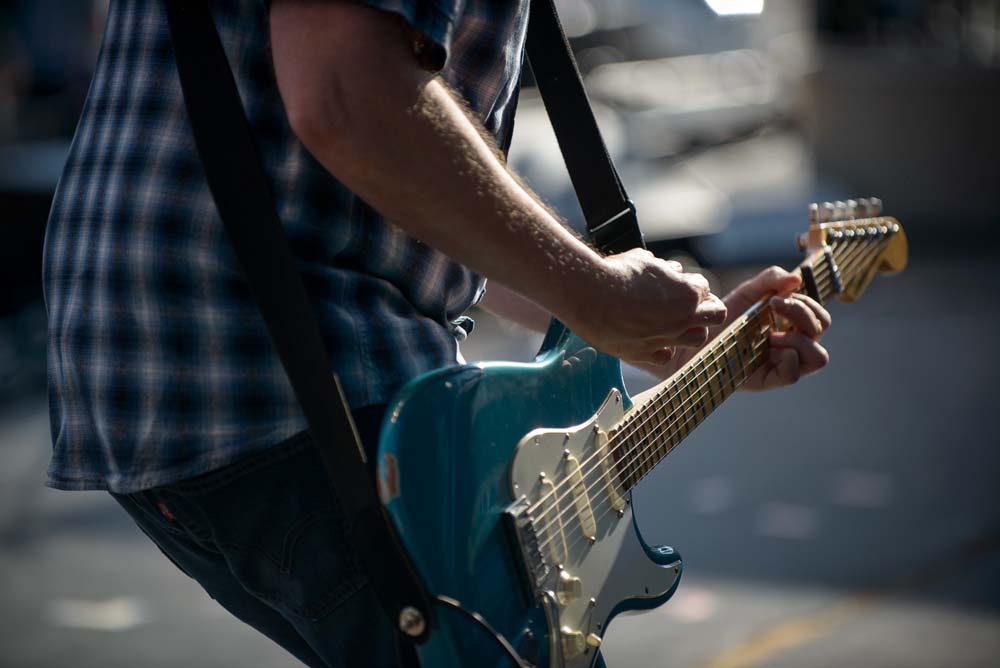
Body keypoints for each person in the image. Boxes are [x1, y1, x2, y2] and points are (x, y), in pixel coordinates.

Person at [42, 1, 831, 667]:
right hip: (277, 362)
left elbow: (403, 193)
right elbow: (347, 94)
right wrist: (600, 296)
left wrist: (673, 335)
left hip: (164, 353)